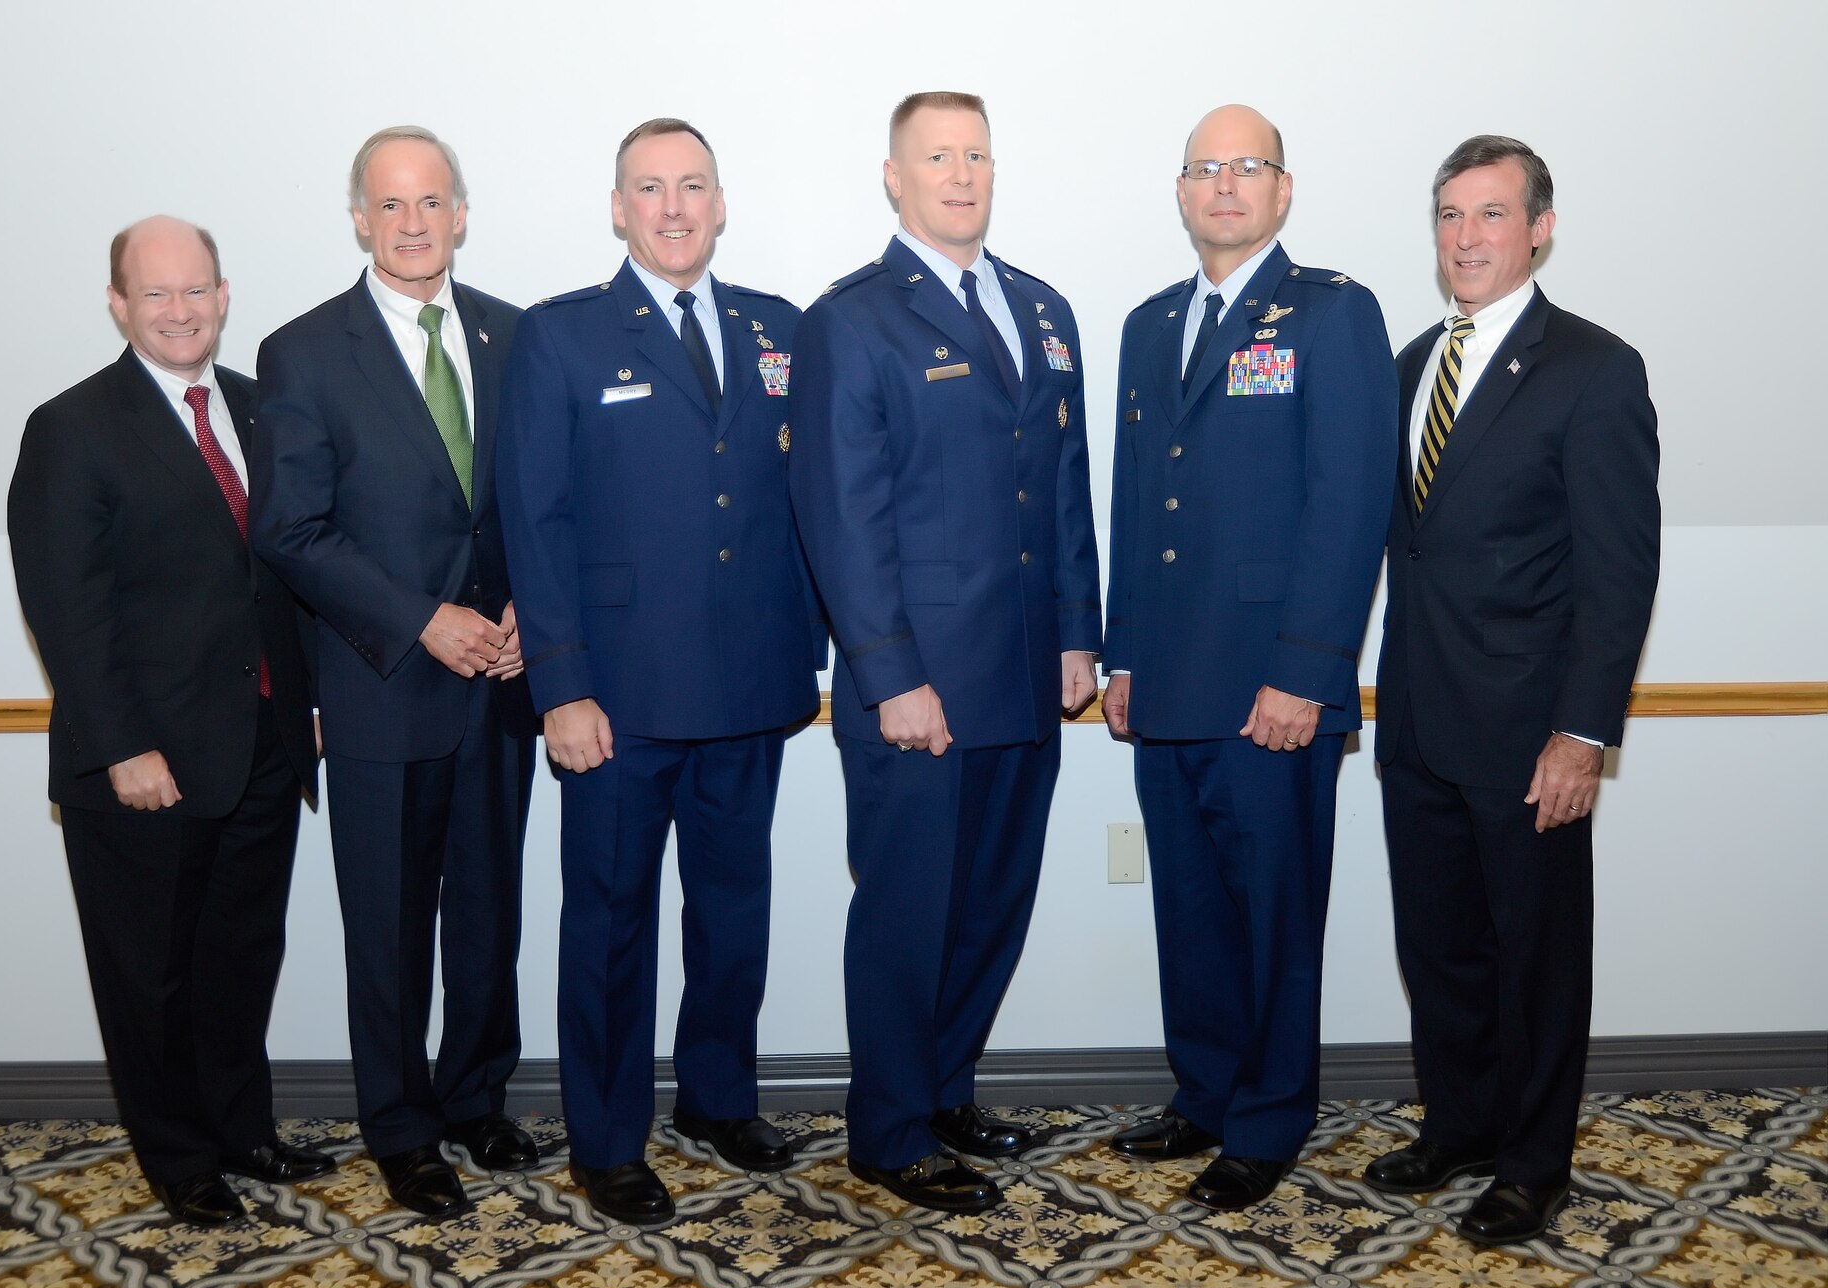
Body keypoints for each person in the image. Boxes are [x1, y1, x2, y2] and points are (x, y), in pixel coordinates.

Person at [496, 118, 824, 1227]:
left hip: (750, 687)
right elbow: (533, 525)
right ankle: (603, 1138)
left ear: (720, 204)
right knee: (607, 922)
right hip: (616, 700)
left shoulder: (778, 331)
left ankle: (717, 1098)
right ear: (618, 207)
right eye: (651, 188)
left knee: (734, 911)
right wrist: (560, 684)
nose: (674, 207)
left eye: (692, 187)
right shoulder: (563, 339)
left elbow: (806, 506)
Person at [789, 91, 1102, 1215]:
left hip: (1023, 674)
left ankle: (944, 1089)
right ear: (893, 175)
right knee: (907, 909)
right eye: (936, 155)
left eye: (975, 153)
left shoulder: (1040, 307)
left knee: (988, 902)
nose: (960, 173)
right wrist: (888, 674)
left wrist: (1078, 633)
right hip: (918, 683)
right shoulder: (853, 320)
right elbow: (841, 516)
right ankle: (885, 1127)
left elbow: (1062, 491)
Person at [1363, 135, 1660, 1246]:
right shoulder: (1403, 367)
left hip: (1530, 734)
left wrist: (1580, 734)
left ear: (1537, 227)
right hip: (1419, 724)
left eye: (1489, 215)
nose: (1464, 237)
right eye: (1448, 215)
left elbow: (1618, 571)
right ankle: (1460, 1127)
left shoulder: (1592, 367)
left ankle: (1534, 1163)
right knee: (1437, 945)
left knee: (1534, 957)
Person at [1101, 104, 1396, 1209]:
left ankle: (1267, 1119)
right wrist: (1123, 654)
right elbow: (1136, 503)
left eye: (1247, 166)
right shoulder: (1147, 323)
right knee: (1188, 904)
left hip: (1274, 682)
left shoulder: (1330, 314)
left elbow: (1349, 501)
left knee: (1273, 912)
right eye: (1203, 168)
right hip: (1168, 679)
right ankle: (1206, 1094)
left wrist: (1307, 669)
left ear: (1281, 190)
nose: (1223, 185)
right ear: (1180, 194)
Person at [8, 216, 330, 1227]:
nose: (180, 310)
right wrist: (121, 746)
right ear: (118, 305)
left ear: (223, 296)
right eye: (156, 294)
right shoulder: (71, 427)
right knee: (149, 974)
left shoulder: (256, 408)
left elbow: (280, 575)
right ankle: (180, 1159)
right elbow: (68, 606)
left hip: (263, 748)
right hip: (143, 764)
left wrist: (307, 703)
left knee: (241, 956)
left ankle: (241, 1132)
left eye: (196, 290)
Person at [252, 127, 538, 1218]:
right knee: (387, 922)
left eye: (432, 203)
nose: (413, 223)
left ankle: (474, 1097)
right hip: (382, 684)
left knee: (488, 913)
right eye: (390, 205)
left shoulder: (516, 338)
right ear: (359, 219)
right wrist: (424, 621)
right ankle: (401, 1126)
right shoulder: (304, 352)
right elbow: (292, 529)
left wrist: (525, 609)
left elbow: (533, 506)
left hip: (501, 682)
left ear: (460, 213)